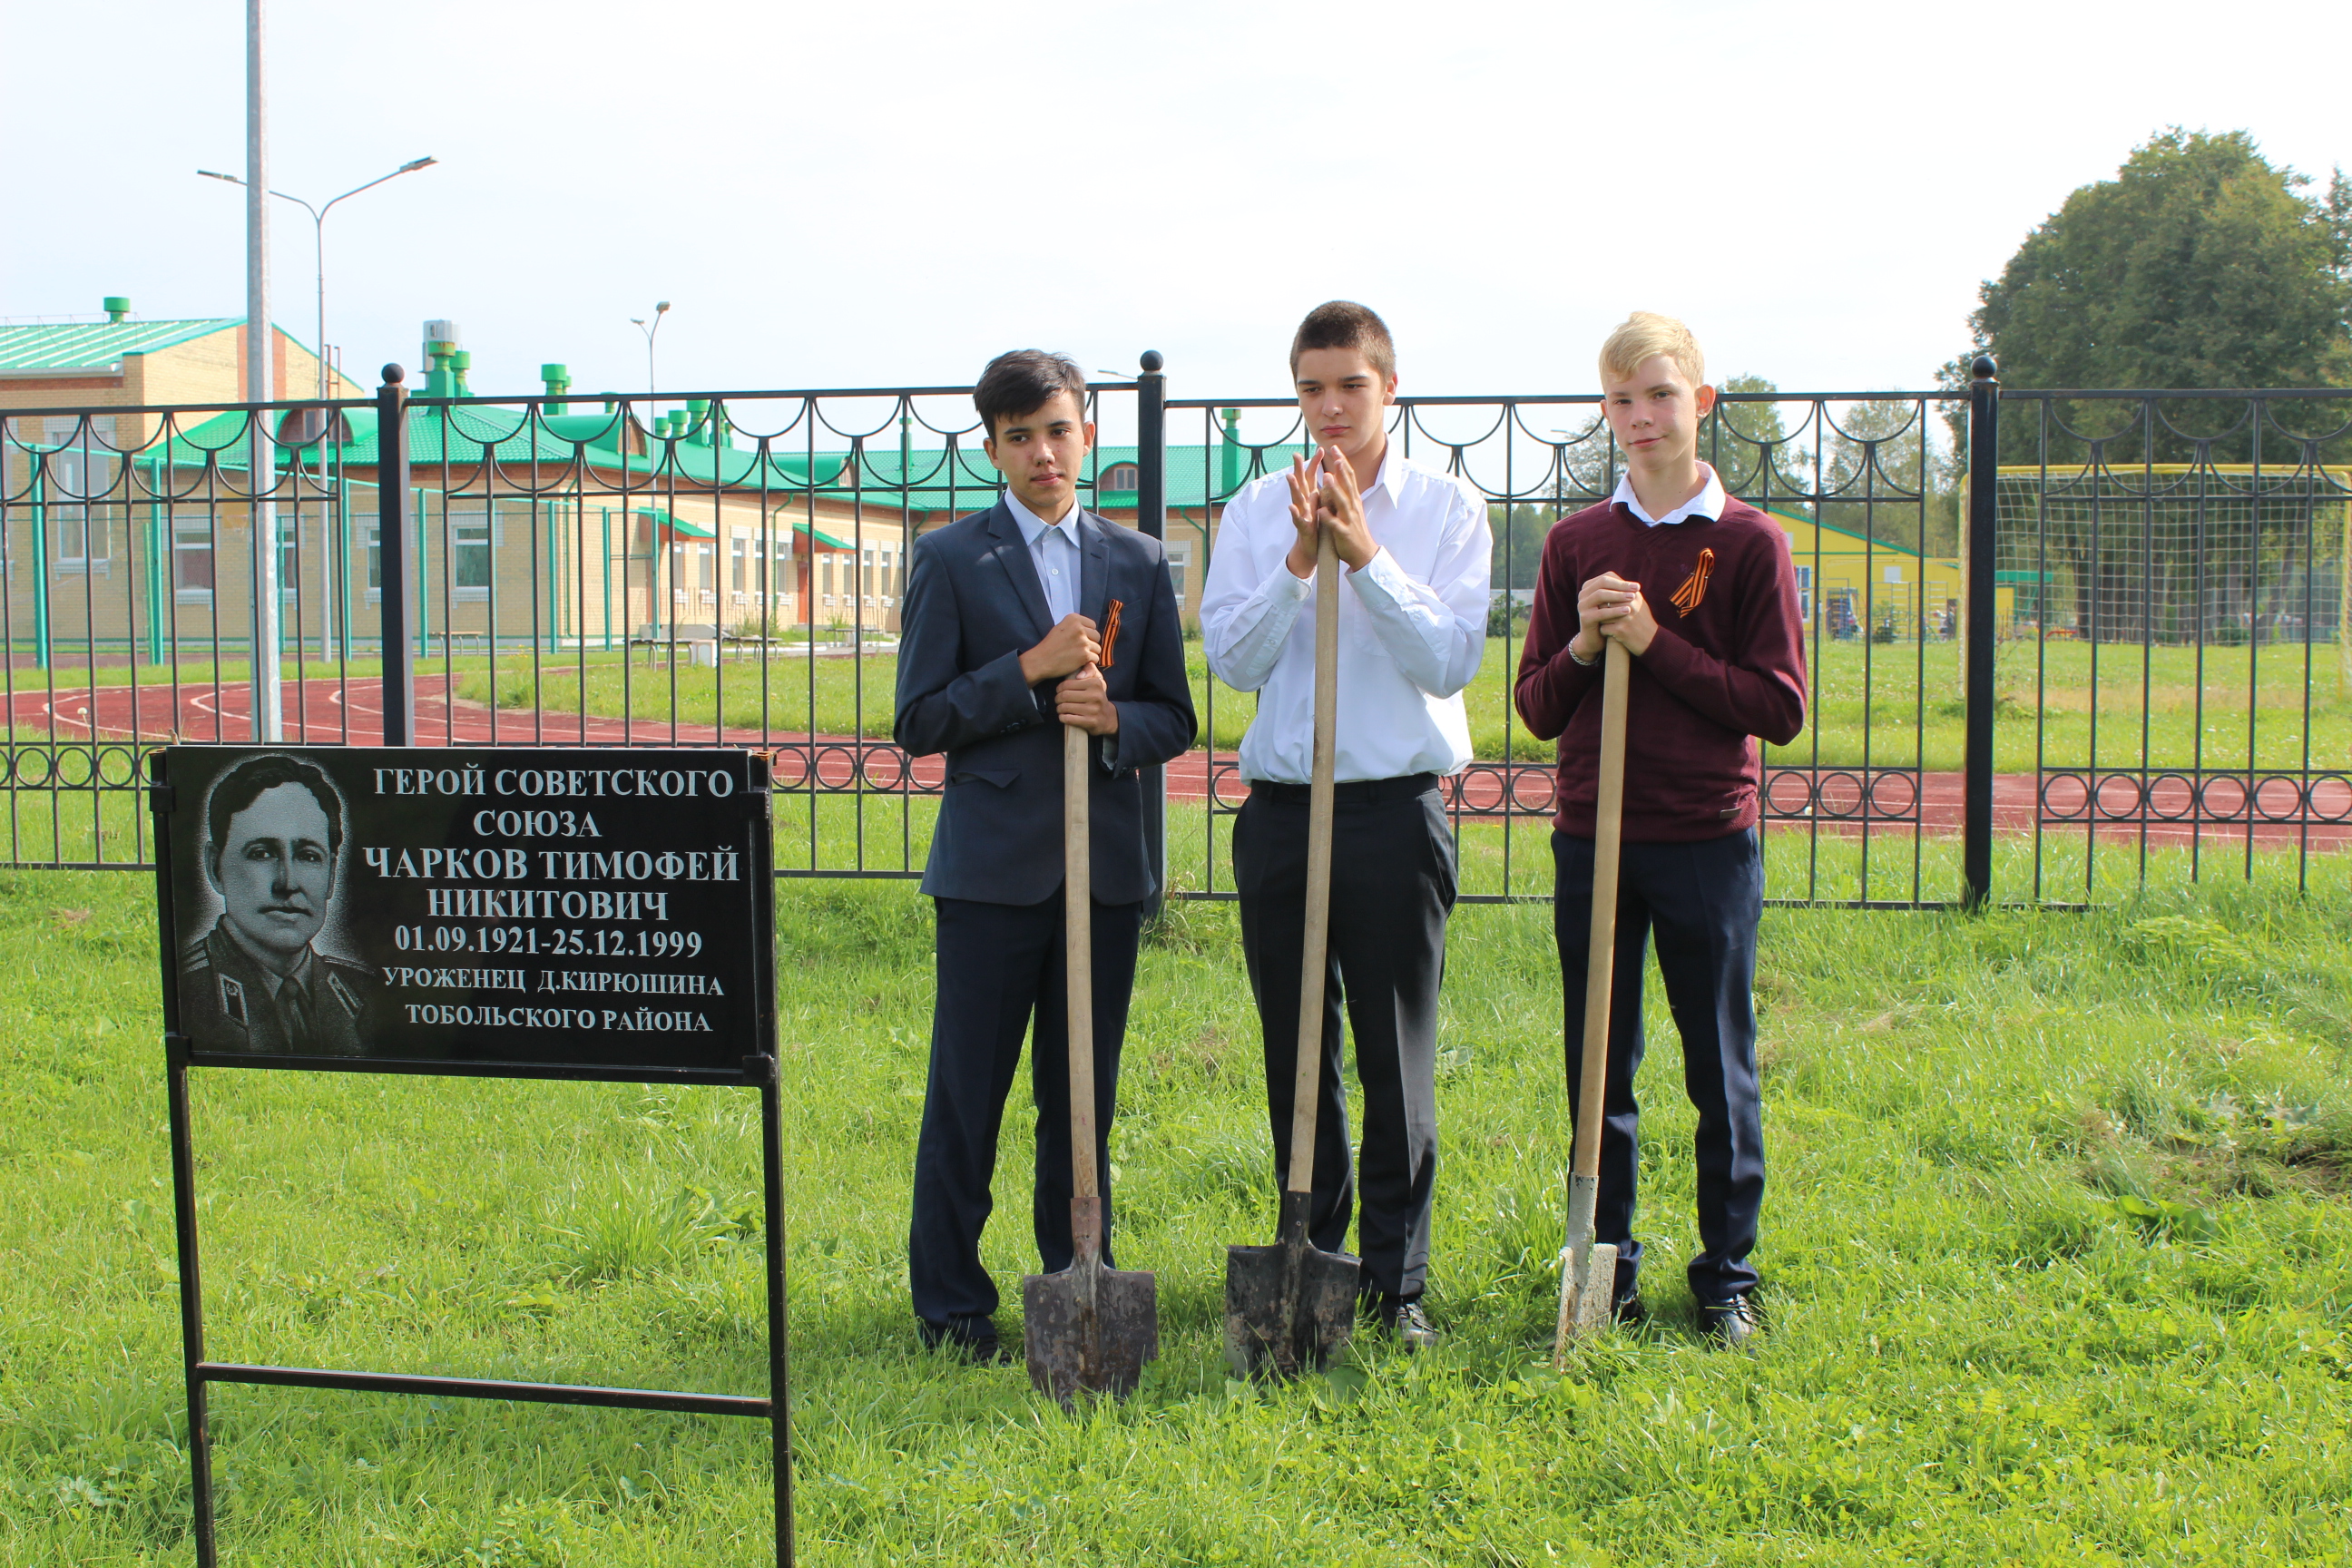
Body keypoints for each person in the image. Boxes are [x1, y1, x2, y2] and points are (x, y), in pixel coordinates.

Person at [893, 349, 1197, 1362]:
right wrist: (1028, 670)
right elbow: (919, 719)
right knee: (967, 1095)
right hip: (991, 876)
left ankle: (1077, 1275)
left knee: (1081, 1098)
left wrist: (1113, 719)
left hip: (1100, 874)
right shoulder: (952, 559)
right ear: (992, 449)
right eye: (1018, 437)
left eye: (1058, 431)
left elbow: (1174, 716)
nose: (1042, 453)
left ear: (1087, 435)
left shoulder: (1137, 562)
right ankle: (950, 1304)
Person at [1199, 301, 1492, 1349]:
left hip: (1391, 811)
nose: (1330, 407)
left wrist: (1364, 555)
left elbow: (1449, 660)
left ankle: (1395, 1284)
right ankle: (1310, 1256)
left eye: (1350, 386)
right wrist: (1297, 562)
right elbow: (1231, 660)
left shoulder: (1445, 510)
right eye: (1311, 387)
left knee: (1394, 1056)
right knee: (1297, 1050)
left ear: (1389, 389)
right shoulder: (1252, 512)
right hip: (1285, 814)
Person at [1513, 312, 1807, 1348]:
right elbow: (1535, 706)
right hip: (1594, 840)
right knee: (1600, 1065)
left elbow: (1778, 707)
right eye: (1623, 401)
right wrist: (1589, 649)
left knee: (1719, 1065)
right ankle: (1606, 1271)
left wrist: (1654, 641)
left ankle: (1727, 1276)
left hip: (1706, 839)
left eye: (1661, 396)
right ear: (1606, 412)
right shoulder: (1576, 544)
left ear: (1701, 402)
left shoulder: (1751, 543)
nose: (1642, 417)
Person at [181, 752, 377, 1056]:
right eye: (262, 854)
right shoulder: (190, 989)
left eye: (309, 856)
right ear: (216, 867)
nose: (287, 883)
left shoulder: (365, 992)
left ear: (330, 876)